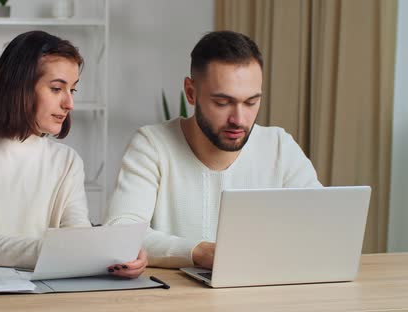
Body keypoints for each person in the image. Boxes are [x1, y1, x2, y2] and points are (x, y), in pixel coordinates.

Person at [0, 30, 146, 278]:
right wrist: (60, 249)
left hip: (40, 294)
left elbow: (77, 236)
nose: (69, 103)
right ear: (18, 88)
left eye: (72, 90)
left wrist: (118, 256)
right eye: (56, 89)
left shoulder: (67, 161)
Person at [105, 30, 322, 269]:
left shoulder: (279, 146)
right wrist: (197, 252)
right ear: (191, 92)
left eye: (251, 102)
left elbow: (320, 225)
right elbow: (122, 233)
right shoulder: (152, 145)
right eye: (222, 103)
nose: (239, 119)